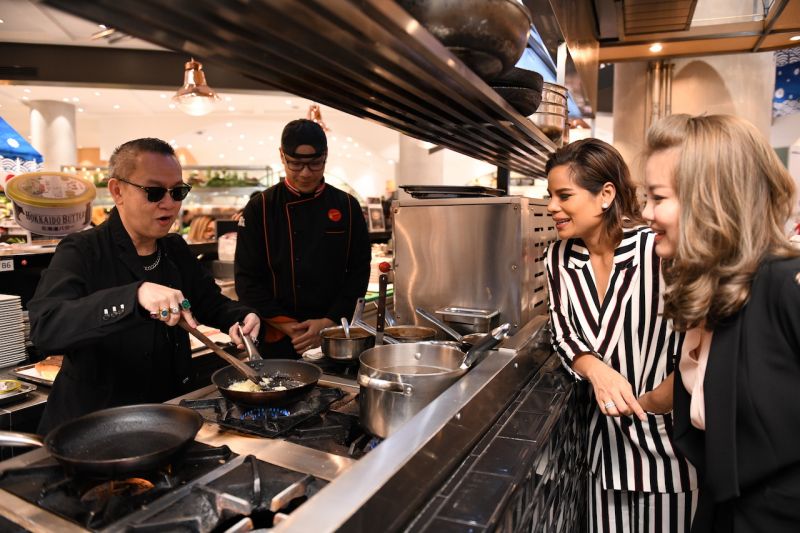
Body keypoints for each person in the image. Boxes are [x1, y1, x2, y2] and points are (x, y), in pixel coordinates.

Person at [28, 138, 260, 433]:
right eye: (154, 192)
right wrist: (133, 297)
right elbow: (46, 328)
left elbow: (209, 302)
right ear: (117, 191)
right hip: (96, 427)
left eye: (177, 192)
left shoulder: (174, 249)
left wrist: (239, 317)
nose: (169, 203)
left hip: (165, 416)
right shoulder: (82, 250)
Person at [642, 114, 800, 532]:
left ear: (711, 199)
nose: (645, 212)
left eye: (658, 197)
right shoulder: (719, 289)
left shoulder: (786, 286)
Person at [544, 138, 696, 533]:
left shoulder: (656, 248)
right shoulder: (558, 258)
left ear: (605, 195)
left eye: (564, 195)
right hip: (605, 449)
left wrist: (660, 398)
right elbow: (562, 331)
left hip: (669, 447)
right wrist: (596, 369)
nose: (552, 207)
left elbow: (695, 341)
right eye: (550, 196)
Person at [235, 119, 371, 357]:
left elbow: (358, 271)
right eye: (296, 164)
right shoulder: (260, 207)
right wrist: (290, 327)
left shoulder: (347, 206)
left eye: (315, 164)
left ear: (326, 156)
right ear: (282, 156)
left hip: (334, 334)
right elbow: (247, 279)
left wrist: (328, 322)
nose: (306, 173)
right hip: (278, 334)